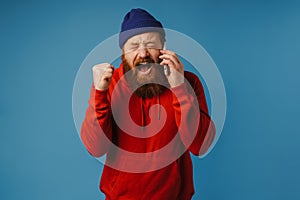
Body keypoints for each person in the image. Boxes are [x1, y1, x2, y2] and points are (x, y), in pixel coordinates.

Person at [81, 8, 216, 200]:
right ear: (123, 53)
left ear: (163, 47)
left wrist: (179, 87)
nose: (143, 53)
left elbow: (201, 145)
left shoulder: (188, 83)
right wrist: (99, 92)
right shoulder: (108, 84)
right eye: (134, 46)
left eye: (151, 44)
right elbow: (96, 147)